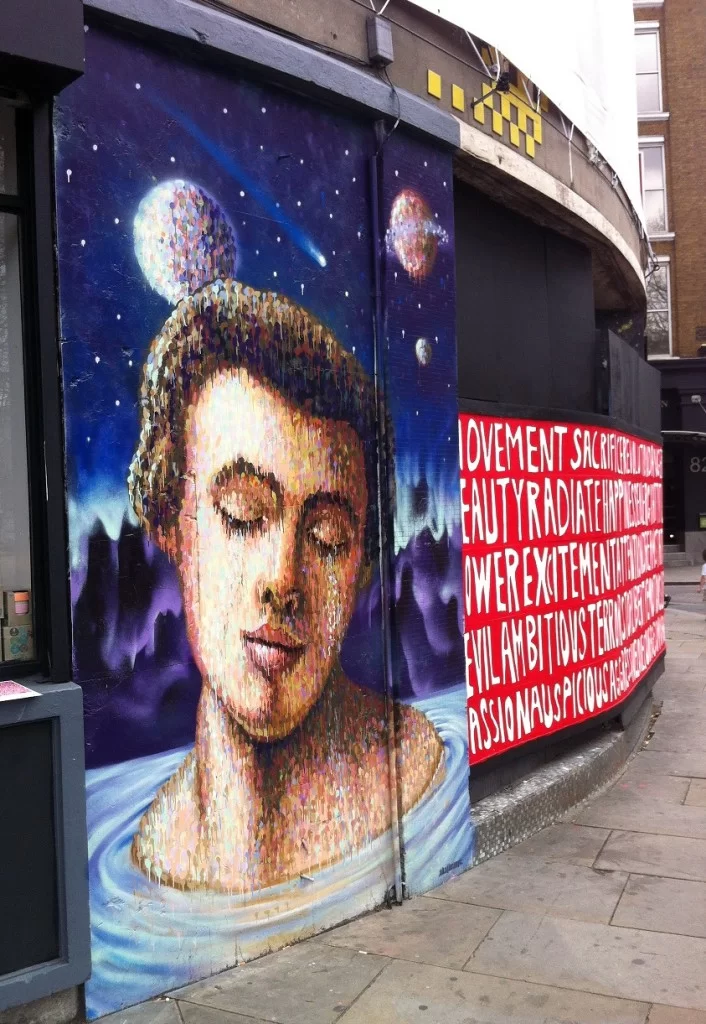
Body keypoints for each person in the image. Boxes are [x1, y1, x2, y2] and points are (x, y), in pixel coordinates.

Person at [127, 279, 444, 893]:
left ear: (362, 566)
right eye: (242, 515)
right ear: (170, 521)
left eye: (327, 538)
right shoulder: (153, 850)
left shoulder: (416, 767)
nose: (283, 580)